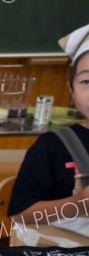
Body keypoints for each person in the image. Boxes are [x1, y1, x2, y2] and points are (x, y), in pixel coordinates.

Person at [9, 24, 89, 223]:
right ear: (71, 90)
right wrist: (78, 204)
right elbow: (20, 215)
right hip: (67, 249)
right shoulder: (52, 146)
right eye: (86, 82)